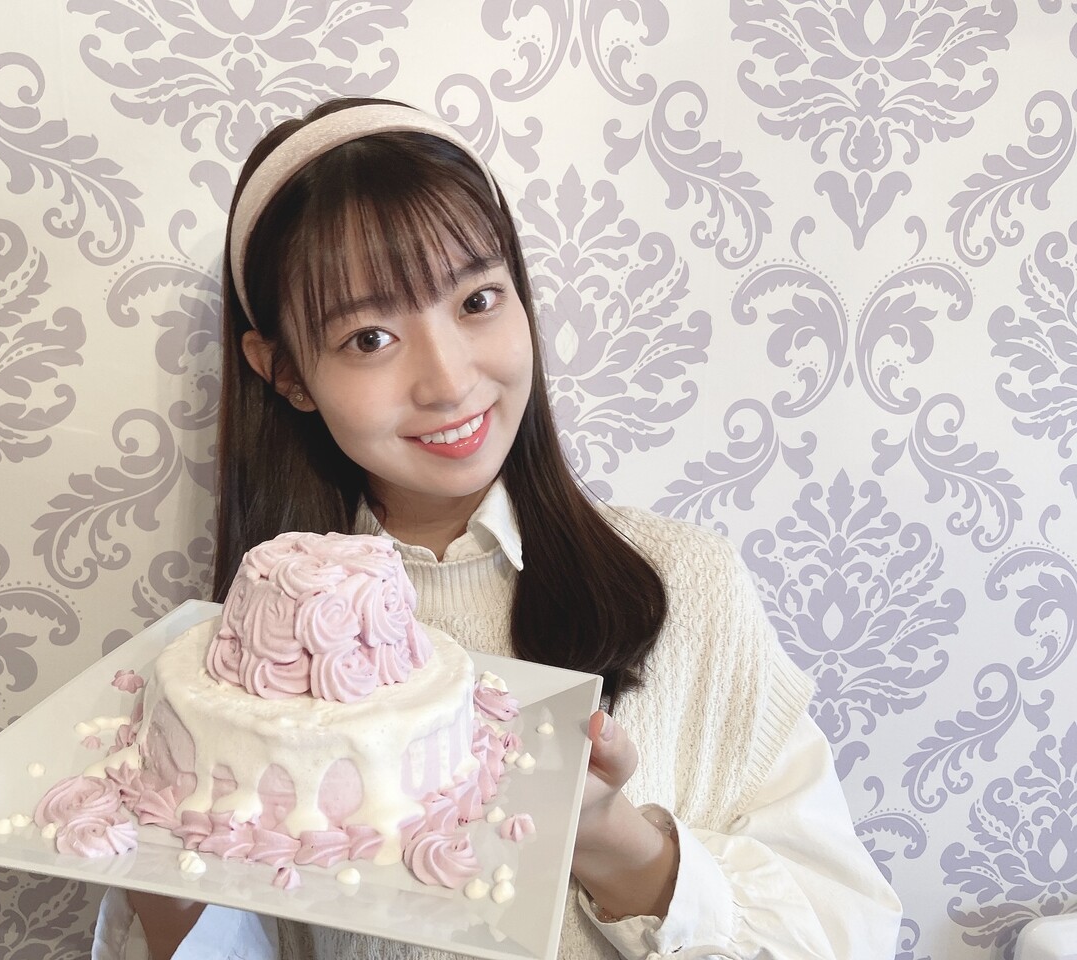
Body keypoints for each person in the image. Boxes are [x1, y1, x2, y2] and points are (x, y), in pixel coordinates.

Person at [93, 97, 903, 960]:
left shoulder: (688, 586)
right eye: (369, 338)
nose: (448, 381)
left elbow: (845, 931)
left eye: (477, 299)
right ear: (286, 371)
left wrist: (610, 838)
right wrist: (167, 877)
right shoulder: (244, 676)